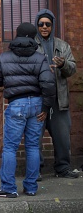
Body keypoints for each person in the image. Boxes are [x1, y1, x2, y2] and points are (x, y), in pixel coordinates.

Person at [0, 22, 55, 198]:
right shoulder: (40, 58)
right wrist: (46, 107)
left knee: (10, 147)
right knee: (33, 146)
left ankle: (9, 188)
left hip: (17, 104)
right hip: (37, 106)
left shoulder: (4, 57)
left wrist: (10, 80)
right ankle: (31, 188)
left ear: (17, 35)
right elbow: (49, 85)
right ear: (34, 38)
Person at [35, 9, 78, 178]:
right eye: (41, 24)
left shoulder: (62, 45)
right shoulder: (31, 44)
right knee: (35, 137)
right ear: (37, 25)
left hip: (59, 99)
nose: (44, 27)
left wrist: (63, 65)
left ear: (52, 26)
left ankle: (62, 169)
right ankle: (35, 170)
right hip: (39, 99)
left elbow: (72, 68)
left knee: (62, 137)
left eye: (48, 24)